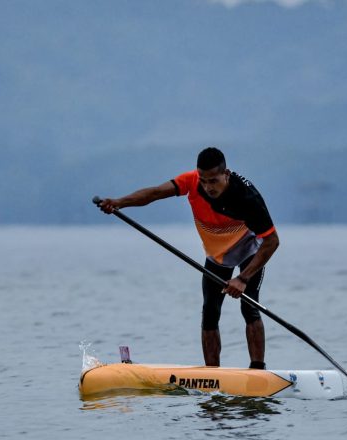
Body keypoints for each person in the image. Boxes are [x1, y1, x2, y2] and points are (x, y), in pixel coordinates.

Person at [98, 147, 279, 369]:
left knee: (249, 306)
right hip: (217, 255)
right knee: (210, 313)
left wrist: (242, 278)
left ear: (227, 174)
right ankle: (212, 375)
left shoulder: (247, 198)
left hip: (249, 250)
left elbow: (272, 242)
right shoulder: (191, 181)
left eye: (213, 181)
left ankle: (258, 370)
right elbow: (155, 193)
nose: (208, 187)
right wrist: (119, 202)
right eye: (204, 181)